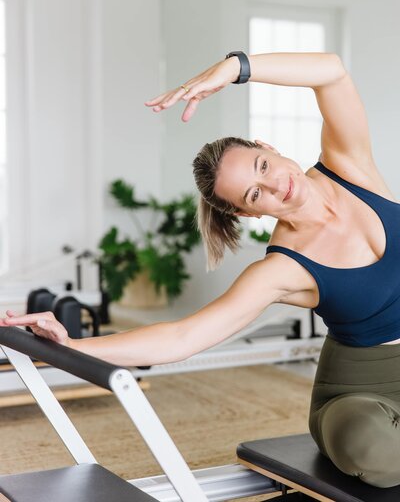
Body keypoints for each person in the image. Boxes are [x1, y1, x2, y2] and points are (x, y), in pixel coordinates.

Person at [2, 51, 400, 487]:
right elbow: (182, 337)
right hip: (361, 397)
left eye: (261, 166)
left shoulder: (350, 167)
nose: (274, 186)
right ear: (250, 214)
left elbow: (332, 73)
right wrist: (71, 346)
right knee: (371, 447)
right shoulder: (283, 268)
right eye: (254, 194)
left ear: (268, 147)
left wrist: (233, 68)